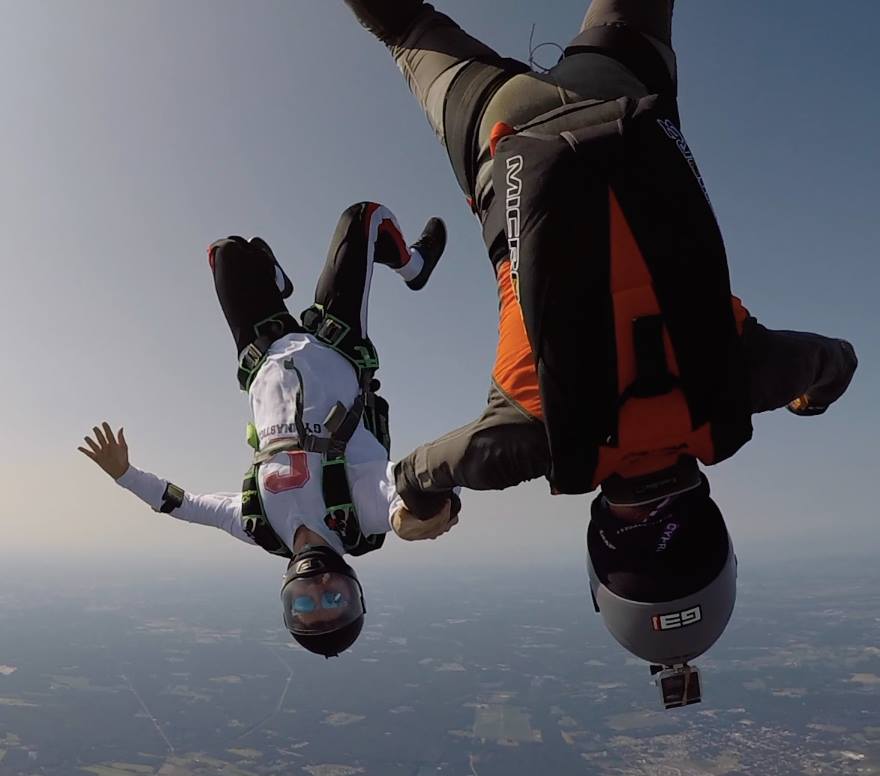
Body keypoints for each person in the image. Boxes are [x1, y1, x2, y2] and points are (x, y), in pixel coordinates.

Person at [343, 0, 859, 684]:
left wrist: (806, 399)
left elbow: (838, 361)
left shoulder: (741, 383)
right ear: (599, 555)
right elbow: (417, 473)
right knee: (403, 27)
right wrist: (423, 510)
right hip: (501, 131)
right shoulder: (535, 439)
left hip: (620, 86)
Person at [79, 201, 457, 658]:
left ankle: (274, 281)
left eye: (306, 605)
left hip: (265, 350)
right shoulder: (360, 516)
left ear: (286, 598)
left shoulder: (259, 524)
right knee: (364, 217)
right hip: (336, 342)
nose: (319, 588)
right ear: (354, 589)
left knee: (226, 253)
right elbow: (414, 486)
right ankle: (413, 266)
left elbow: (184, 505)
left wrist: (125, 474)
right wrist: (413, 518)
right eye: (335, 600)